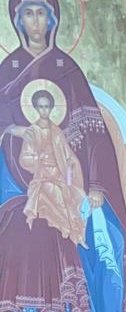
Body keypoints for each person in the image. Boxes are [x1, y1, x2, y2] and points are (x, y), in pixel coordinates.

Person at [0, 0, 126, 312]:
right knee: (31, 231)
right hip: (20, 185)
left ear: (53, 20)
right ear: (17, 21)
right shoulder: (8, 70)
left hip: (75, 182)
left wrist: (96, 186)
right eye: (28, 14)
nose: (35, 21)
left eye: (41, 14)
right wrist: (15, 135)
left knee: (99, 240)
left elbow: (94, 136)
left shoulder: (68, 70)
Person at [18, 89, 86, 245]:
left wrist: (70, 165)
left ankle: (77, 234)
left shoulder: (57, 132)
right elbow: (24, 159)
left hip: (60, 175)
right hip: (42, 178)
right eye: (41, 107)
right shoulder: (32, 132)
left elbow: (67, 155)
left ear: (51, 108)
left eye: (47, 107)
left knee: (80, 196)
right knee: (59, 195)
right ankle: (72, 235)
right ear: (36, 108)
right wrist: (38, 159)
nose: (44, 110)